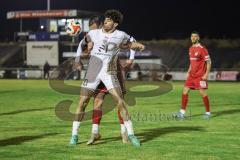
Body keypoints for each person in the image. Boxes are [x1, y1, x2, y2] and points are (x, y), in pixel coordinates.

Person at [70, 9, 145, 147]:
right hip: (92, 71)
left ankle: (131, 134)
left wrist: (138, 46)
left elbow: (130, 43)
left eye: (109, 20)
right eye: (105, 19)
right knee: (83, 102)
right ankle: (74, 135)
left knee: (120, 102)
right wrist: (77, 59)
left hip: (108, 72)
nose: (105, 21)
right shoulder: (93, 33)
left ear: (115, 24)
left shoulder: (120, 35)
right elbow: (82, 43)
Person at [176, 31, 211, 120]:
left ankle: (208, 113)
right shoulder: (191, 48)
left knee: (202, 93)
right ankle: (182, 113)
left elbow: (209, 62)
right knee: (184, 91)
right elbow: (192, 63)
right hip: (192, 76)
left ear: (198, 38)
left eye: (195, 36)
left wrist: (206, 74)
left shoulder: (202, 48)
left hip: (200, 76)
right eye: (192, 36)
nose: (193, 38)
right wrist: (188, 72)